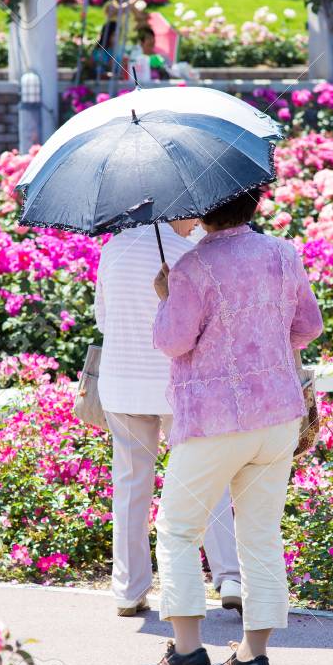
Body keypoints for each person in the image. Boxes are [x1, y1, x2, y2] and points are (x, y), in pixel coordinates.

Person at [139, 189, 323, 665]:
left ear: (202, 209)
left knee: (178, 529)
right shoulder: (283, 253)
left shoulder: (192, 268)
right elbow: (308, 325)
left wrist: (167, 298)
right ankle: (252, 656)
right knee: (260, 534)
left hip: (214, 423)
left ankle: (187, 650)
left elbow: (173, 341)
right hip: (278, 414)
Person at [94, 222, 242, 618]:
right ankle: (230, 576)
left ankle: (128, 589)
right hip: (178, 386)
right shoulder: (193, 253)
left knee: (130, 487)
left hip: (122, 384)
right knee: (207, 479)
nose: (196, 220)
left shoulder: (114, 249)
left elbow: (103, 321)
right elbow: (203, 329)